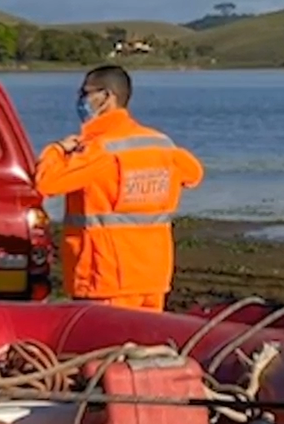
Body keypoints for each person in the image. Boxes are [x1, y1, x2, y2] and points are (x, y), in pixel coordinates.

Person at [34, 65, 203, 312]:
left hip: (106, 277)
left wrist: (57, 150)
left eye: (85, 93)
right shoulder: (161, 144)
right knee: (148, 347)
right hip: (152, 277)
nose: (81, 100)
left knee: (106, 348)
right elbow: (194, 174)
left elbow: (47, 182)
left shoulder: (100, 150)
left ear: (106, 97)